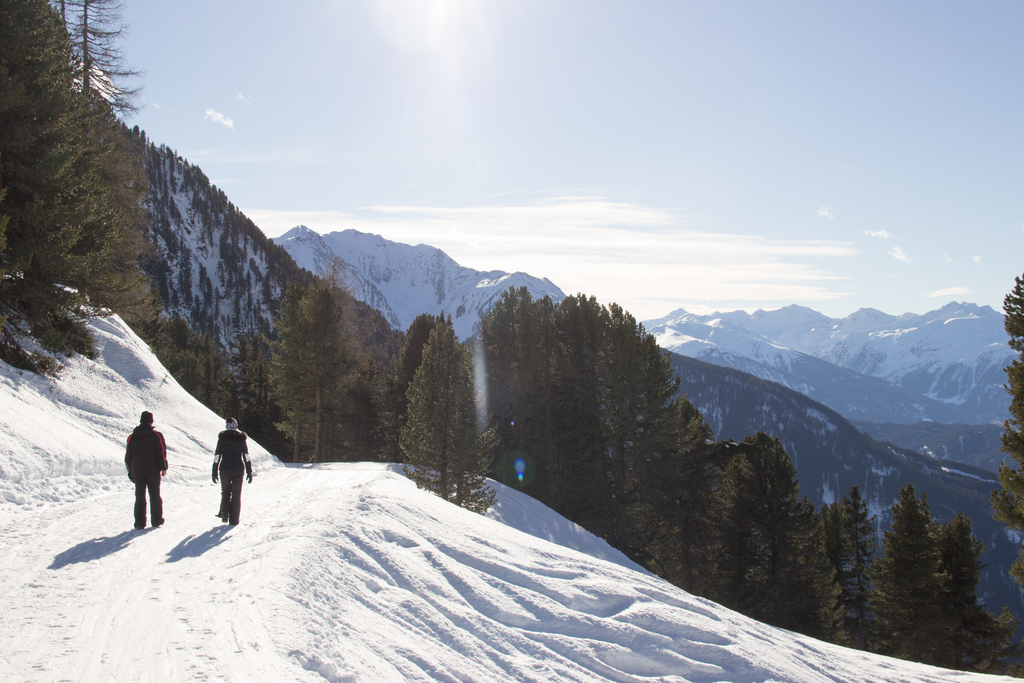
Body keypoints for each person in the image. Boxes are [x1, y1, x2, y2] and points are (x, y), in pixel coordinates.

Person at [125, 410, 168, 530]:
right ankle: (156, 520)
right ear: (151, 421)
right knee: (155, 496)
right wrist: (163, 468)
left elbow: (128, 457)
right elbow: (161, 454)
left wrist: (130, 472)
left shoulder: (132, 437)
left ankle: (139, 523)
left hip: (137, 472)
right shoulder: (156, 435)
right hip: (153, 471)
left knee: (139, 497)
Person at [212, 417, 253, 525]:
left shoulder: (222, 437)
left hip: (225, 468)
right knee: (236, 493)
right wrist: (249, 471)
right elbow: (246, 456)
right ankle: (234, 520)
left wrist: (214, 470)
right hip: (238, 468)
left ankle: (224, 512)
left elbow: (217, 455)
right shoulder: (241, 438)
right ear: (236, 425)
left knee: (225, 491)